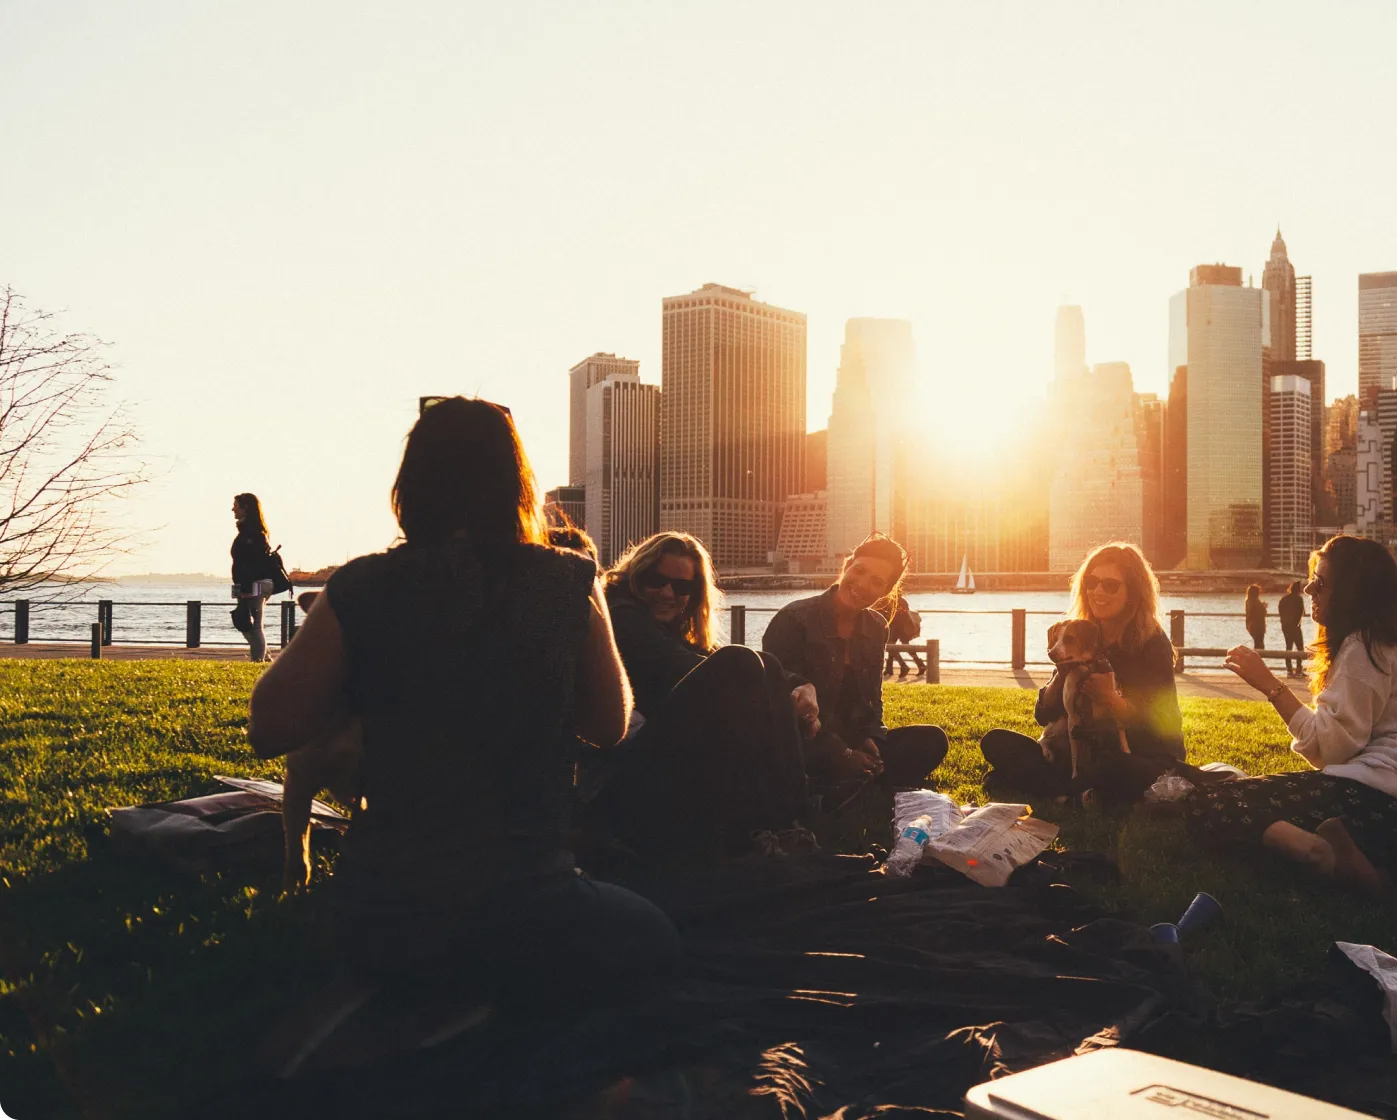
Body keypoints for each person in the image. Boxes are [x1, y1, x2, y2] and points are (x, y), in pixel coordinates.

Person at [249, 397, 678, 999]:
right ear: (517, 486)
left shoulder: (363, 584)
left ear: (411, 485)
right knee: (654, 935)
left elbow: (269, 726)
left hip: (385, 905)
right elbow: (610, 725)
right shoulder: (569, 579)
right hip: (527, 896)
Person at [1188, 535, 1397, 898]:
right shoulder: (1387, 644)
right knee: (1247, 798)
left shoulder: (1363, 648)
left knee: (1212, 804)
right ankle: (1366, 864)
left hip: (1378, 801)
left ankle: (1320, 855)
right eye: (1312, 578)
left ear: (1352, 592)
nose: (1310, 588)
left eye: (1321, 583)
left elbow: (1330, 749)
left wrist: (1269, 685)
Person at [585, 531, 816, 855]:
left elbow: (712, 655)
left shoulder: (668, 629)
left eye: (682, 587)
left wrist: (800, 685)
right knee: (741, 663)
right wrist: (771, 693)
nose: (667, 593)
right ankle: (783, 822)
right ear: (637, 576)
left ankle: (789, 824)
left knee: (763, 662)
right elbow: (687, 666)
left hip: (647, 769)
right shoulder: (622, 615)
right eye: (656, 580)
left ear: (694, 595)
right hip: (613, 781)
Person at [980, 542, 1185, 809]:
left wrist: (1111, 699)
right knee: (996, 741)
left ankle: (1059, 790)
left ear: (1133, 593)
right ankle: (1077, 793)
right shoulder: (1080, 634)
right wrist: (1060, 678)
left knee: (1115, 767)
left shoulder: (1151, 643)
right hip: (1082, 752)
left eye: (1110, 585)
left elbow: (1162, 722)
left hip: (1137, 754)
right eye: (1091, 582)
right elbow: (1043, 715)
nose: (1098, 591)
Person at [763, 535, 948, 807]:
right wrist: (842, 753)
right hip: (802, 739)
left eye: (877, 582)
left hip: (849, 736)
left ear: (885, 592)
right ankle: (843, 784)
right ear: (847, 565)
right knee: (793, 755)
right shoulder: (794, 618)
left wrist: (870, 737)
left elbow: (872, 699)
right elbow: (780, 704)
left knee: (932, 739)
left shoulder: (876, 626)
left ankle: (845, 784)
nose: (862, 584)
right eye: (859, 570)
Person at [230, 493, 275, 662]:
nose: (233, 508)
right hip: (242, 584)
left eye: (236, 505)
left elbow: (253, 564)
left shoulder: (254, 533)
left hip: (253, 584)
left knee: (254, 625)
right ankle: (265, 656)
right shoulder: (246, 531)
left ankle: (258, 661)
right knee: (242, 621)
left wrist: (247, 589)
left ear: (245, 508)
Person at [882, 594, 925, 679]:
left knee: (892, 646)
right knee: (898, 646)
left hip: (896, 627)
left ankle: (904, 666)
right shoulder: (902, 601)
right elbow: (906, 612)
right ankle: (889, 668)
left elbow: (889, 614)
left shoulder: (892, 601)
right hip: (903, 627)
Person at [1279, 580, 1306, 676]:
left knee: (1288, 647)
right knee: (1299, 647)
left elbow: (1280, 611)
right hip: (1295, 626)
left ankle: (1289, 669)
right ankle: (1299, 669)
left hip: (1285, 627)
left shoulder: (1284, 599)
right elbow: (1301, 613)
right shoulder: (1299, 599)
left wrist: (1284, 622)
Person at [1245, 583, 1268, 651]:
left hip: (1251, 625)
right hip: (1258, 626)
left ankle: (1256, 658)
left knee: (1257, 643)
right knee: (1260, 645)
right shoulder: (1256, 602)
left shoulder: (1248, 601)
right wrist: (1264, 607)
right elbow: (1262, 613)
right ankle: (1258, 659)